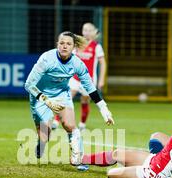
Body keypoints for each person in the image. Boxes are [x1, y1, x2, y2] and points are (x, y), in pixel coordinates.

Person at [80, 91, 172, 178]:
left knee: (111, 174)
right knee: (117, 154)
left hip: (155, 174)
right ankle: (80, 159)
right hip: (155, 160)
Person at [24, 31, 114, 166]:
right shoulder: (47, 59)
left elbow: (90, 88)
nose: (64, 46)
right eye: (61, 43)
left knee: (70, 125)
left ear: (74, 48)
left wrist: (104, 109)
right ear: (57, 45)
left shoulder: (77, 64)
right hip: (40, 95)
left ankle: (78, 157)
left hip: (61, 94)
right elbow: (29, 85)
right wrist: (46, 100)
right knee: (45, 134)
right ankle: (41, 143)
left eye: (68, 44)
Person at [52, 22, 107, 131]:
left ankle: (82, 125)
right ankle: (56, 121)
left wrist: (101, 80)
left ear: (94, 32)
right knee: (67, 97)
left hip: (88, 80)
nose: (86, 32)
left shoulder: (96, 46)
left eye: (89, 30)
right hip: (74, 78)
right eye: (84, 30)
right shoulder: (76, 44)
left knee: (85, 101)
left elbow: (103, 63)